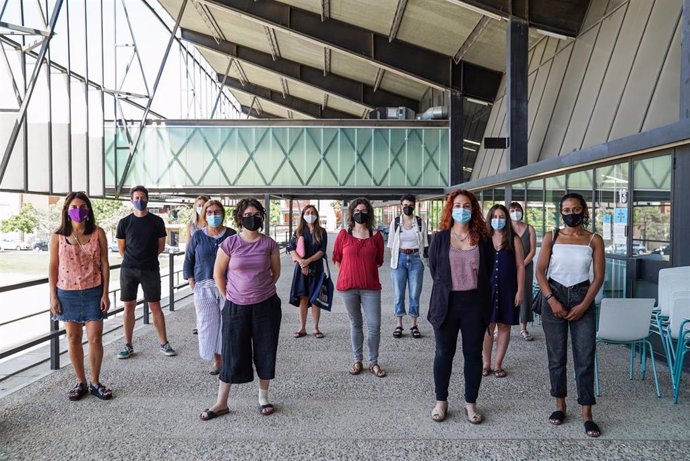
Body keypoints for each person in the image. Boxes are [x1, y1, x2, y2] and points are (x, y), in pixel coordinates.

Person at [200, 198, 282, 420]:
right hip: (236, 307)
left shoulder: (269, 244)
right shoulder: (230, 243)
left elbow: (276, 272)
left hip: (266, 306)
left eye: (256, 214)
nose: (251, 218)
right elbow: (218, 274)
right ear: (240, 217)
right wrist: (230, 297)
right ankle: (221, 402)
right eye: (247, 215)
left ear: (261, 217)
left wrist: (259, 291)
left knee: (265, 350)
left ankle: (263, 397)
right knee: (232, 352)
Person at [535, 193, 605, 438]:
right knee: (556, 356)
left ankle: (587, 413)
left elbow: (598, 277)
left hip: (582, 297)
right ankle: (560, 405)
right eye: (566, 209)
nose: (571, 213)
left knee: (585, 357)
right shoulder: (551, 237)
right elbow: (540, 271)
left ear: (583, 211)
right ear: (560, 211)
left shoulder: (594, 239)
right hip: (554, 295)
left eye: (576, 209)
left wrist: (585, 304)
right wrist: (551, 300)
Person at [428, 189, 492, 424]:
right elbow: (435, 270)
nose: (462, 210)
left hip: (474, 304)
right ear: (450, 209)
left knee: (473, 355)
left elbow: (487, 273)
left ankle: (470, 403)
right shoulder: (440, 238)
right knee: (444, 353)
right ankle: (441, 401)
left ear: (473, 209)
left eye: (466, 206)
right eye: (457, 205)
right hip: (446, 303)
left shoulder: (482, 239)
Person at [48, 191, 112, 400]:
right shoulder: (58, 236)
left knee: (95, 338)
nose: (78, 211)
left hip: (93, 291)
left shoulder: (98, 233)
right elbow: (53, 266)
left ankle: (95, 382)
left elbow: (104, 263)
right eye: (73, 207)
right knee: (73, 338)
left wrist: (105, 293)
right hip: (67, 293)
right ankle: (81, 382)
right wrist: (53, 296)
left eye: (82, 207)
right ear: (66, 211)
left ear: (88, 210)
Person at [116, 185, 176, 359]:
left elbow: (161, 246)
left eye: (142, 198)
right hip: (128, 270)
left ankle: (164, 343)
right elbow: (122, 248)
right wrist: (133, 259)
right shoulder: (124, 222)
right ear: (131, 200)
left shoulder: (157, 221)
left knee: (155, 306)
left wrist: (146, 258)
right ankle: (128, 345)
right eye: (136, 198)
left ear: (147, 199)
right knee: (128, 307)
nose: (139, 201)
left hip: (150, 269)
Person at [332, 197, 386, 378]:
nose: (360, 214)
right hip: (348, 288)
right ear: (352, 213)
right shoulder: (343, 235)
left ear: (369, 213)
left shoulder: (376, 236)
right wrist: (348, 273)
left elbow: (378, 261)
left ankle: (373, 362)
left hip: (371, 288)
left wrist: (363, 271)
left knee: (374, 325)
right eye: (357, 211)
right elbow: (337, 258)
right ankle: (357, 360)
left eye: (363, 211)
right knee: (356, 324)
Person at [183, 200, 236, 375]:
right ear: (205, 215)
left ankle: (227, 357)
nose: (214, 215)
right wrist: (192, 282)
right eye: (210, 212)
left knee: (227, 323)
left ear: (223, 214)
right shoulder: (198, 236)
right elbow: (188, 260)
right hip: (204, 287)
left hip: (228, 286)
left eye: (217, 212)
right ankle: (216, 360)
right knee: (208, 324)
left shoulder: (231, 235)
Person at [481, 204, 525, 378]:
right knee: (488, 326)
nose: (497, 220)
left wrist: (520, 291)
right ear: (489, 218)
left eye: (501, 217)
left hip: (508, 288)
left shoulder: (514, 240)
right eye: (494, 217)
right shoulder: (484, 239)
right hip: (487, 289)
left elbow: (521, 266)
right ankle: (486, 363)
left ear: (506, 219)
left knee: (504, 325)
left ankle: (498, 364)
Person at [387, 194, 428, 339]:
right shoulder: (396, 222)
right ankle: (399, 324)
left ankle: (414, 324)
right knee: (399, 293)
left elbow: (425, 244)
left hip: (416, 259)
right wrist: (394, 261)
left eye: (410, 205)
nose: (407, 207)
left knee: (414, 293)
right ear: (400, 206)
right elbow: (391, 244)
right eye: (405, 205)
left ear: (414, 206)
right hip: (400, 259)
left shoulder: (420, 222)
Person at [288, 205, 328, 339]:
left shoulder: (321, 232)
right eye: (307, 212)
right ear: (303, 215)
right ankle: (302, 327)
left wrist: (308, 261)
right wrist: (301, 263)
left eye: (312, 212)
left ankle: (316, 328)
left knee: (316, 298)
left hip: (316, 268)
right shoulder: (298, 232)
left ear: (316, 215)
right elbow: (292, 249)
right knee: (303, 298)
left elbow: (322, 251)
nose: (310, 214)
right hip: (301, 270)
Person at [509, 202, 537, 341]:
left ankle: (523, 328)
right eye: (512, 210)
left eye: (518, 210)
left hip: (526, 267)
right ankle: (499, 328)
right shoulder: (506, 229)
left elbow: (533, 250)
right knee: (505, 293)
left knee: (524, 295)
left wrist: (521, 265)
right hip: (508, 267)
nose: (515, 212)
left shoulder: (529, 228)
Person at [188, 195, 210, 335]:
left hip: (208, 262)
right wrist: (188, 268)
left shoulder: (211, 223)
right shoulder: (191, 225)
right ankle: (200, 323)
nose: (200, 207)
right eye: (199, 204)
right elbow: (188, 247)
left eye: (203, 204)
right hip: (196, 264)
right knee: (198, 294)